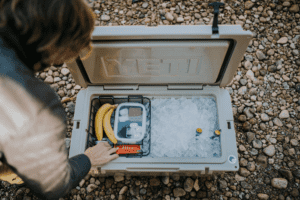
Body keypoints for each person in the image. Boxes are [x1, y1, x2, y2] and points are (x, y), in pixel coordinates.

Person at [0, 0, 119, 199]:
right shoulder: (36, 104)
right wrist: (88, 158)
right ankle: (12, 172)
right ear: (59, 47)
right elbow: (54, 184)